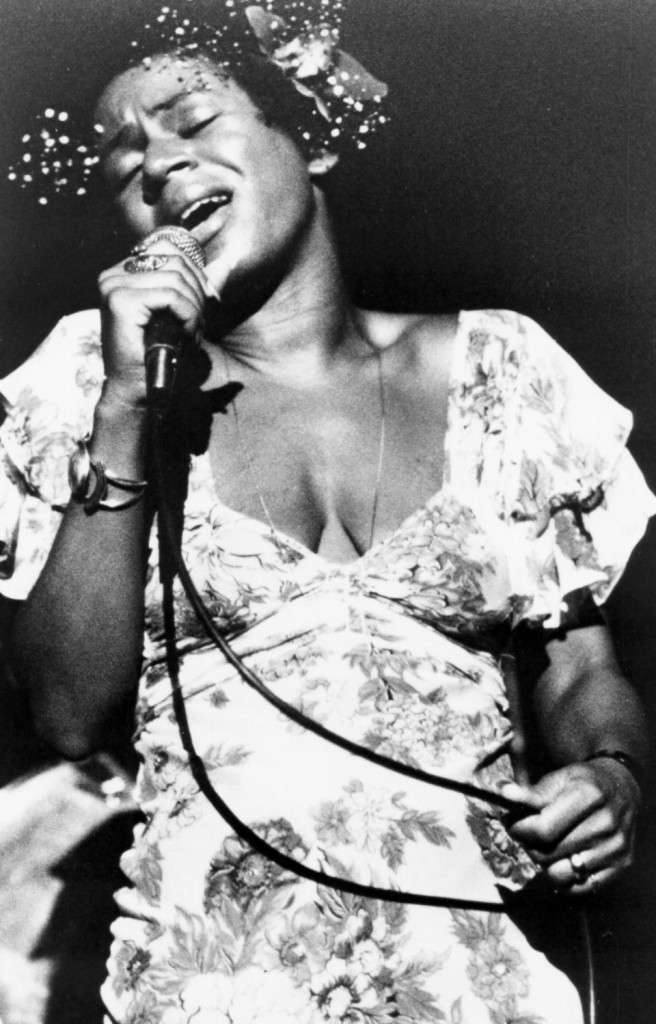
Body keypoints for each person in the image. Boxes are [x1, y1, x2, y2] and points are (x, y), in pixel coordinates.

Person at [0, 2, 653, 1021]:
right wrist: (125, 409)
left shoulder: (502, 368)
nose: (160, 164)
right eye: (126, 165)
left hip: (476, 977)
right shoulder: (91, 380)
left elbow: (579, 672)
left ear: (310, 138)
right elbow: (68, 710)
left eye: (192, 121)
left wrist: (613, 776)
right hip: (213, 985)